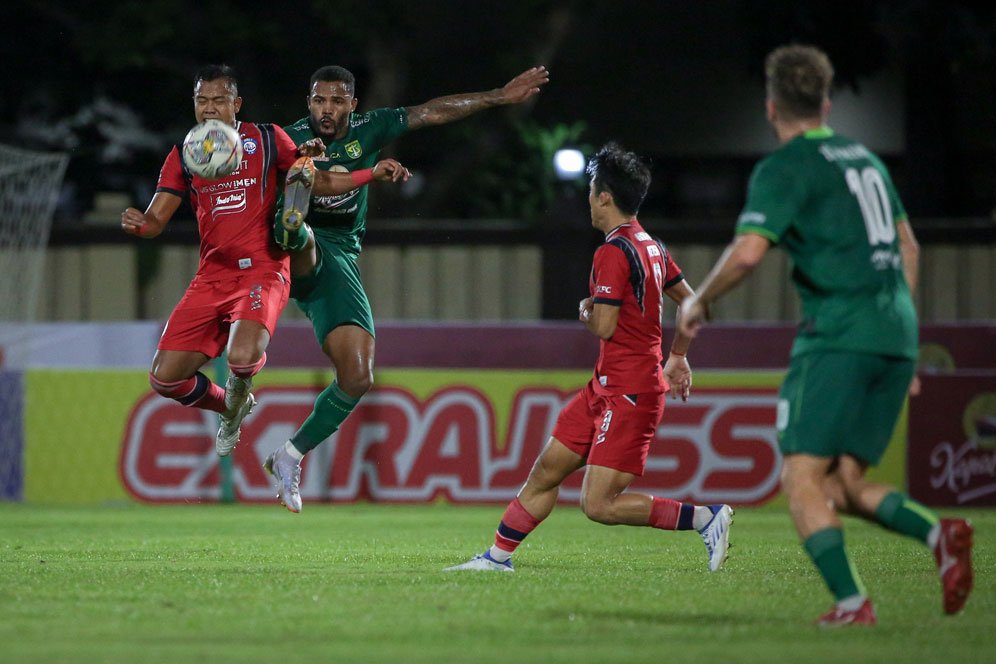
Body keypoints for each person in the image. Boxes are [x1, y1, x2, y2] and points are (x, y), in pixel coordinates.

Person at [678, 45, 974, 625]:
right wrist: (906, 338)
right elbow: (909, 246)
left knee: (800, 476)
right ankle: (938, 535)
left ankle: (851, 603)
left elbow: (747, 254)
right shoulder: (866, 160)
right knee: (840, 484)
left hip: (838, 333)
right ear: (828, 102)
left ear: (771, 108)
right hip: (897, 333)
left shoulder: (786, 168)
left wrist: (698, 299)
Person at [262, 65, 550, 512]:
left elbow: (430, 113)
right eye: (319, 100)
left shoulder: (369, 129)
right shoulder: (289, 138)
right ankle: (292, 227)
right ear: (309, 102)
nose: (327, 109)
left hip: (340, 262)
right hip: (293, 252)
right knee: (301, 224)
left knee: (358, 377)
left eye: (337, 101)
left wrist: (496, 96)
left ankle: (290, 455)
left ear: (352, 106)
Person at [444, 144, 734, 574]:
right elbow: (693, 302)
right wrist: (678, 357)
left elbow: (603, 326)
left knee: (598, 504)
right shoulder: (650, 245)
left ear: (604, 196)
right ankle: (497, 559)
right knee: (547, 470)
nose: (588, 199)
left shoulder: (613, 252)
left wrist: (584, 308)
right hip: (605, 387)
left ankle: (707, 518)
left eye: (591, 190)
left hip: (630, 393)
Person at [121, 64, 409, 459]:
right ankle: (230, 405)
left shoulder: (267, 139)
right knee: (164, 378)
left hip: (263, 268)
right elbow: (156, 220)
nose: (208, 108)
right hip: (212, 276)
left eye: (218, 100)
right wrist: (141, 225)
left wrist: (367, 175)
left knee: (242, 357)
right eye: (201, 100)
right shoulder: (185, 154)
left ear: (236, 104)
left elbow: (316, 179)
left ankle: (292, 230)